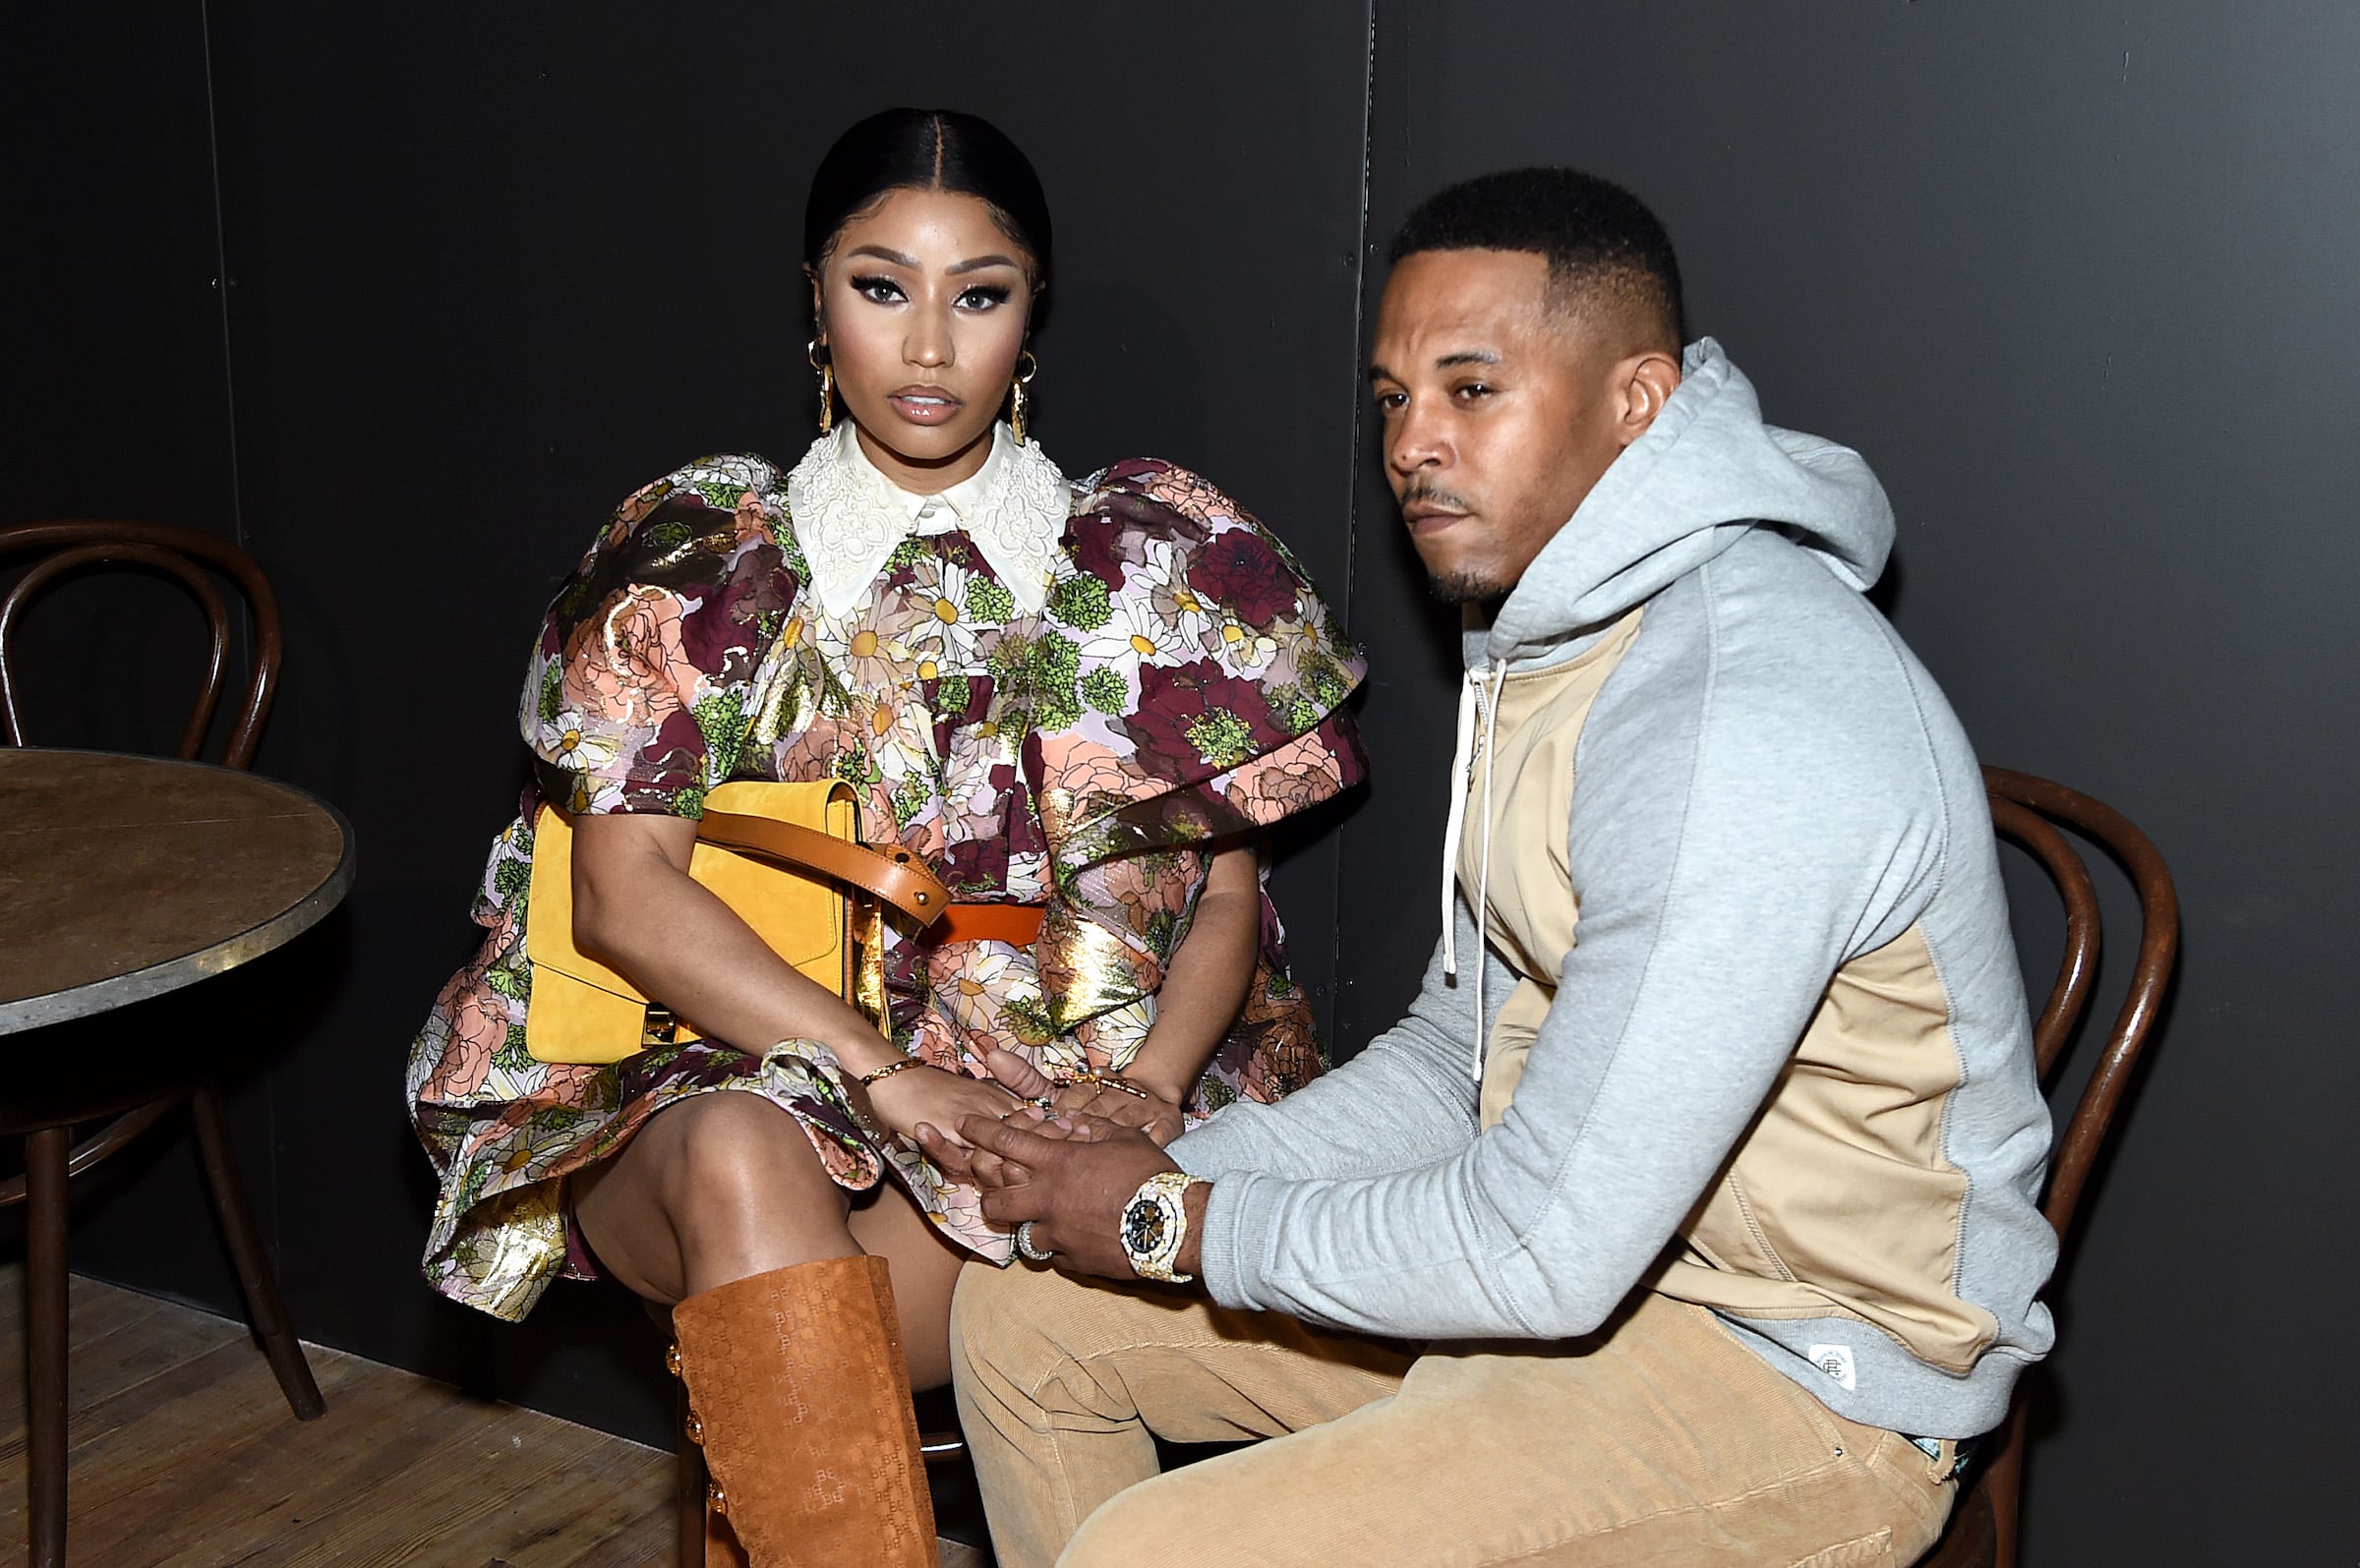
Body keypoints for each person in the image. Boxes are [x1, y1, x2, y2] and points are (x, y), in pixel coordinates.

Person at [933, 167, 2057, 1567]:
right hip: (1593, 1290)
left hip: (1802, 1380)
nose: (1413, 443)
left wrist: (1174, 1222)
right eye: (1394, 397)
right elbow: (1460, 1054)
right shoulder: (1552, 633)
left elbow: (1542, 1249)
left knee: (1150, 1555)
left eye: (1472, 389)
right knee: (1029, 1320)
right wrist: (1149, 1169)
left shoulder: (1737, 713)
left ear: (1636, 403)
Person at [403, 107, 1365, 1566]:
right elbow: (622, 896)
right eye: (880, 286)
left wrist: (1150, 1093)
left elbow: (1228, 900)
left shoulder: (1155, 564)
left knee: (799, 1341)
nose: (927, 346)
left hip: (1055, 1092)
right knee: (742, 1156)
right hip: (718, 1065)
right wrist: (884, 1075)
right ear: (816, 298)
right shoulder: (704, 558)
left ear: (1031, 317)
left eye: (979, 295)